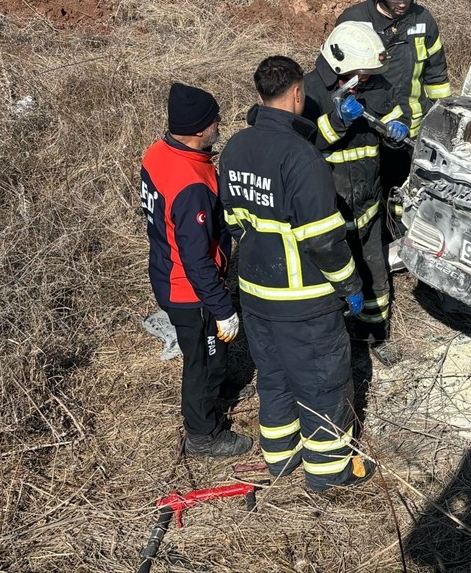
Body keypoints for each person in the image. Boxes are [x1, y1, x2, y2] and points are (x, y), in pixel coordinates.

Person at [219, 56, 375, 492]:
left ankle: (281, 460)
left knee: (273, 376)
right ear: (297, 93)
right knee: (321, 381)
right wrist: (350, 285)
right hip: (303, 299)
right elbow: (324, 240)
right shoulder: (301, 158)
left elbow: (233, 220)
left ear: (259, 95)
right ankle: (330, 475)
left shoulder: (235, 147)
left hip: (253, 292)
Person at [140, 83, 251, 458]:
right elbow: (196, 259)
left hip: (164, 270)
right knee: (202, 360)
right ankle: (203, 434)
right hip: (190, 290)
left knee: (205, 353)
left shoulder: (157, 154)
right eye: (214, 120)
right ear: (200, 128)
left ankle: (217, 388)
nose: (220, 123)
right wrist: (221, 308)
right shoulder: (192, 185)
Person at [303, 22, 408, 366]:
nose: (366, 78)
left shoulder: (376, 85)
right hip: (331, 211)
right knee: (333, 279)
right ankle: (337, 340)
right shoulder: (309, 92)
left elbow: (394, 115)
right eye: (360, 73)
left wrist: (396, 131)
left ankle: (375, 337)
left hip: (368, 204)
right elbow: (302, 145)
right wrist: (336, 121)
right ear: (339, 65)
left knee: (375, 273)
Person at [336, 0, 451, 141]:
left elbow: (437, 75)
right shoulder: (354, 20)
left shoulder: (423, 20)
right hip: (366, 126)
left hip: (411, 129)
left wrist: (444, 117)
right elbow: (335, 74)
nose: (403, 4)